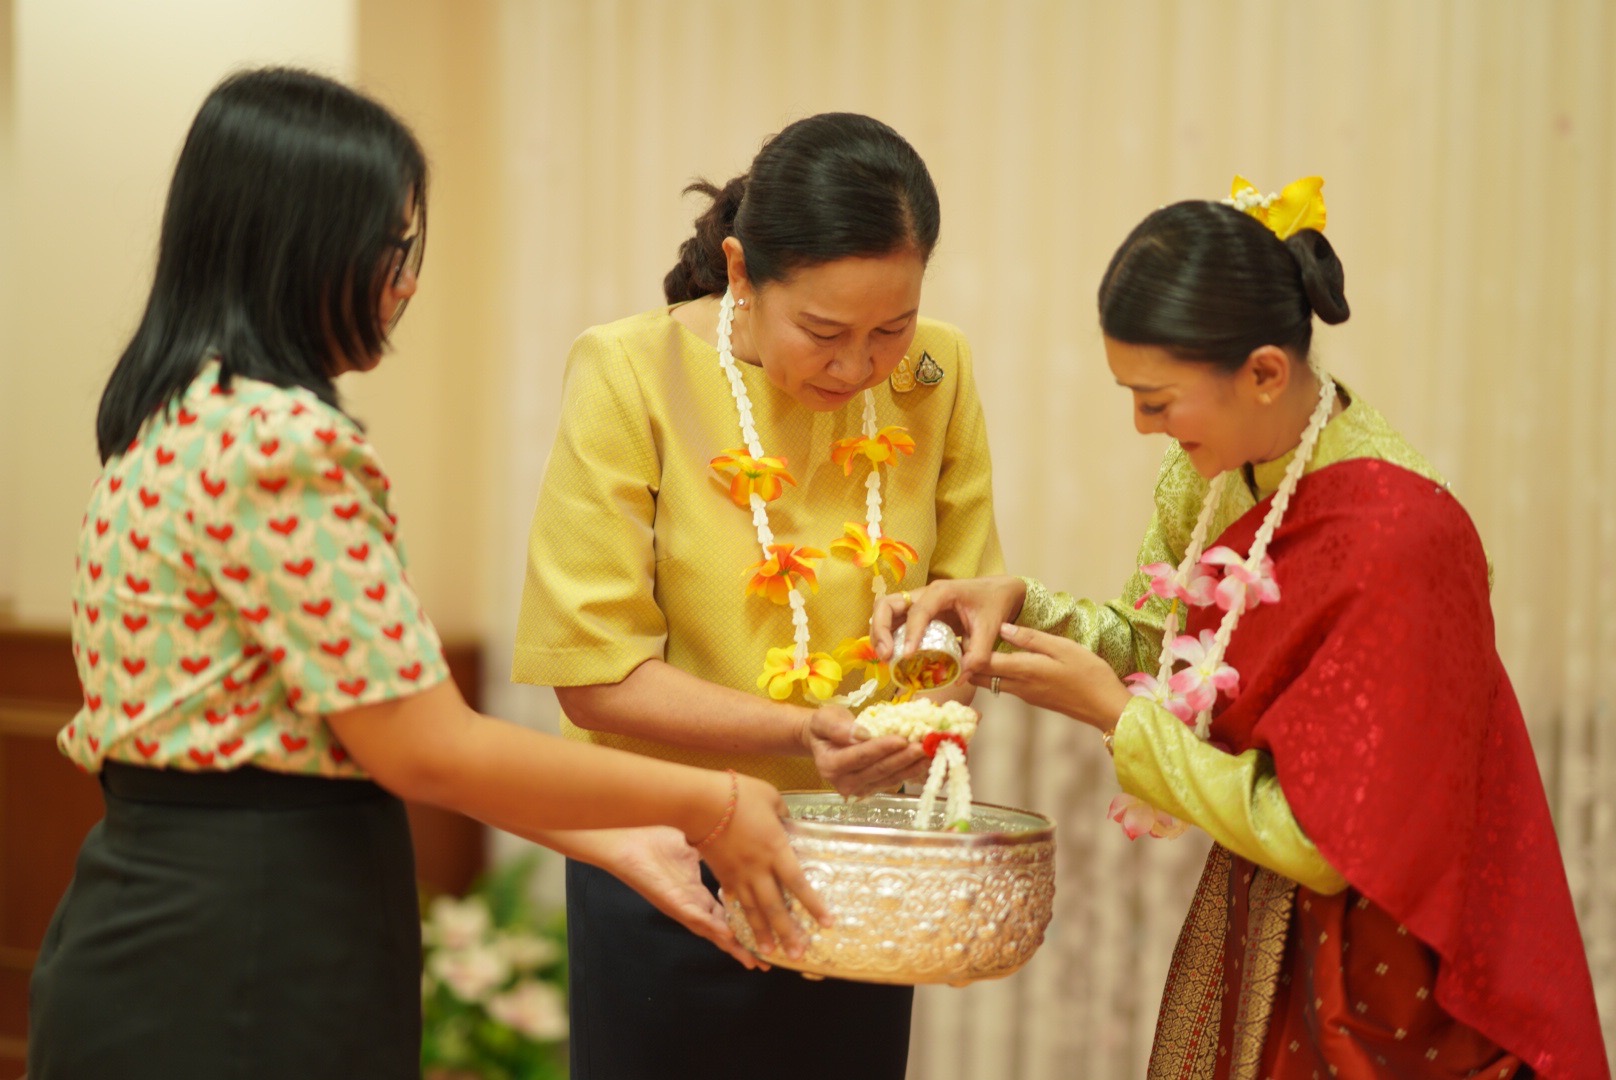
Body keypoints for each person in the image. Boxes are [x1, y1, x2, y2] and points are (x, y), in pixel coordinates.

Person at [27, 67, 825, 1080]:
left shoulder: (172, 418)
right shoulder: (281, 443)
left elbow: (365, 732)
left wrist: (614, 840)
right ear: (306, 245)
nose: (406, 281)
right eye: (394, 247)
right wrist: (710, 803)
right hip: (248, 948)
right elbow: (430, 748)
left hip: (158, 921)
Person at [877, 179, 1608, 1077]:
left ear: (1264, 373)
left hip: (1396, 955)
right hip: (1262, 906)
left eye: (1157, 399)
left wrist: (1115, 718)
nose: (1142, 426)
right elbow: (1167, 652)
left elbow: (1325, 842)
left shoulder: (1401, 537)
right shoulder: (1216, 471)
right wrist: (1017, 604)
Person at [512, 112, 1004, 1079]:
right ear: (741, 270)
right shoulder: (630, 372)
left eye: (890, 328)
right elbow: (595, 676)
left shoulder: (934, 372)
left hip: (862, 861)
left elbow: (962, 608)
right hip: (667, 856)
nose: (858, 365)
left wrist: (922, 712)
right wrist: (801, 732)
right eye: (823, 331)